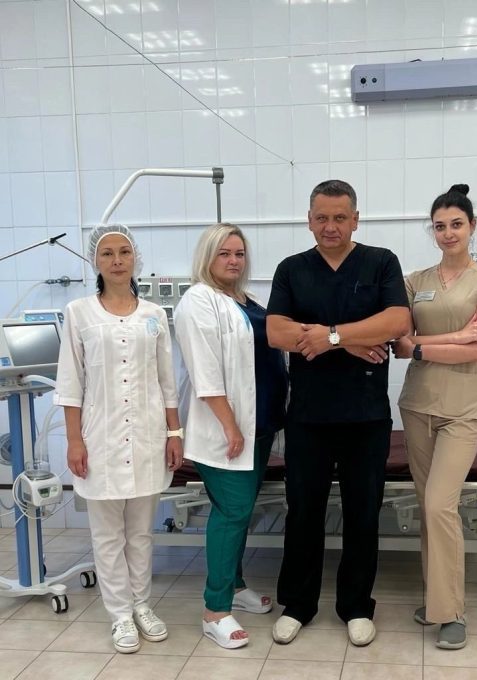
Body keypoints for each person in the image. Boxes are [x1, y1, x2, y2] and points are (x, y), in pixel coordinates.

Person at [266, 179, 409, 647]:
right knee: (302, 513)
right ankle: (298, 605)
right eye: (322, 217)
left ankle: (356, 606)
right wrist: (353, 340)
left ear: (356, 220)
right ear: (309, 221)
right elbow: (277, 333)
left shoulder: (380, 262)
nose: (331, 226)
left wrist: (328, 337)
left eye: (340, 217)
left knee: (363, 513)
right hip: (307, 417)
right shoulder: (292, 269)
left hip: (366, 416)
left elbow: (397, 322)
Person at [54, 224, 183, 654]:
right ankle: (120, 615)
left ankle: (142, 605)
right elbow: (70, 383)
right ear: (95, 261)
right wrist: (74, 441)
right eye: (107, 253)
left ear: (135, 258)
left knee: (141, 533)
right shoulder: (79, 313)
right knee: (108, 536)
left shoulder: (154, 315)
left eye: (124, 252)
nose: (116, 260)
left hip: (147, 437)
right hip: (101, 439)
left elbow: (167, 381)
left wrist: (174, 433)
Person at [392, 184, 477, 650]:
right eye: (439, 226)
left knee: (441, 503)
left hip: (461, 409)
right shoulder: (414, 280)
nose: (448, 233)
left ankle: (452, 612)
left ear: (472, 226)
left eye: (456, 224)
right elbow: (400, 343)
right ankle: (438, 600)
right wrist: (454, 336)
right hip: (417, 405)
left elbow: (476, 347)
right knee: (428, 506)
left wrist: (422, 345)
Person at [174, 223, 287, 650]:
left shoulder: (246, 300)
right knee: (233, 512)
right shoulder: (198, 301)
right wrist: (229, 424)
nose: (234, 260)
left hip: (260, 425)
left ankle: (235, 586)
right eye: (224, 253)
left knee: (241, 510)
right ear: (208, 257)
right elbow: (205, 372)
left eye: (239, 253)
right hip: (226, 430)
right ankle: (215, 610)